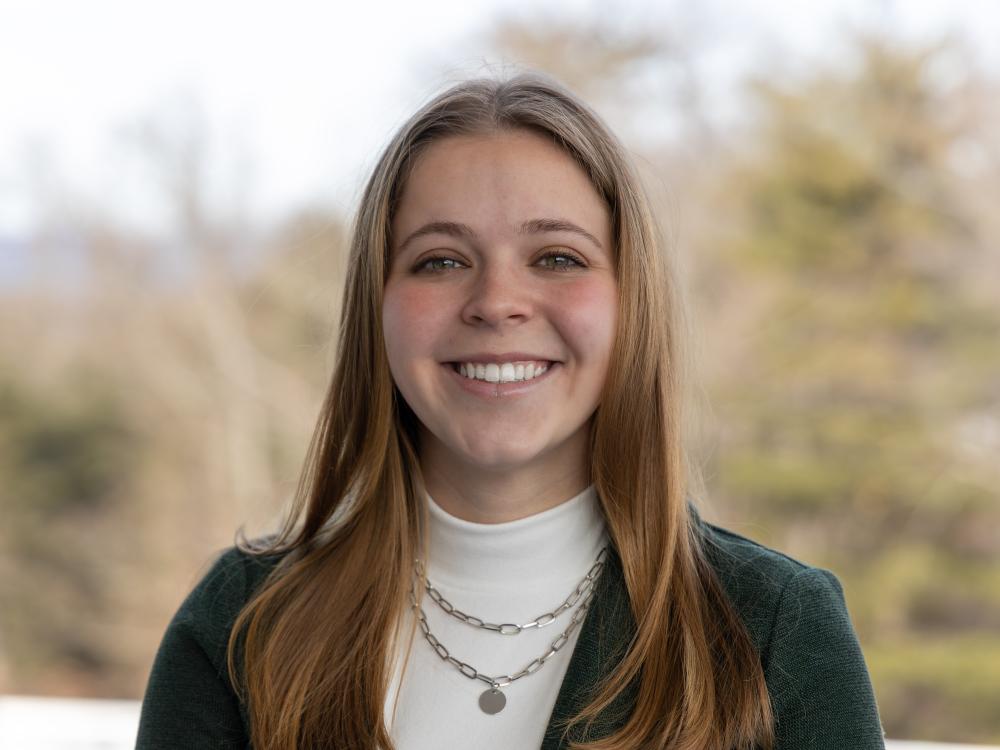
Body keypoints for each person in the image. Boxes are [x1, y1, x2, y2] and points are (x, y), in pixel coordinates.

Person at [136, 71, 886, 749]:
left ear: (632, 301)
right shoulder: (242, 625)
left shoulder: (772, 630)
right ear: (378, 308)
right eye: (441, 260)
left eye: (557, 257)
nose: (497, 303)